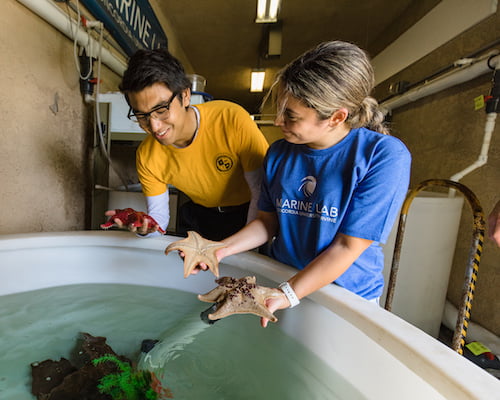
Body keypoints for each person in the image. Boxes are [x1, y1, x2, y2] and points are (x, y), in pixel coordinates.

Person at [191, 40, 412, 327]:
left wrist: (288, 293)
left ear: (336, 117)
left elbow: (347, 246)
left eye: (291, 116)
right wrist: (218, 249)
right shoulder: (280, 152)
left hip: (345, 295)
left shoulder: (383, 156)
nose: (279, 121)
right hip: (280, 280)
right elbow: (267, 223)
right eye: (280, 109)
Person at [108, 48, 269, 240]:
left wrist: (240, 246)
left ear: (185, 96)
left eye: (161, 110)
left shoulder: (231, 120)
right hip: (199, 217)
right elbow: (159, 217)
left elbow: (261, 193)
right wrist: (147, 226)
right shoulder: (147, 155)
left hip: (248, 214)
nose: (155, 126)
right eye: (142, 116)